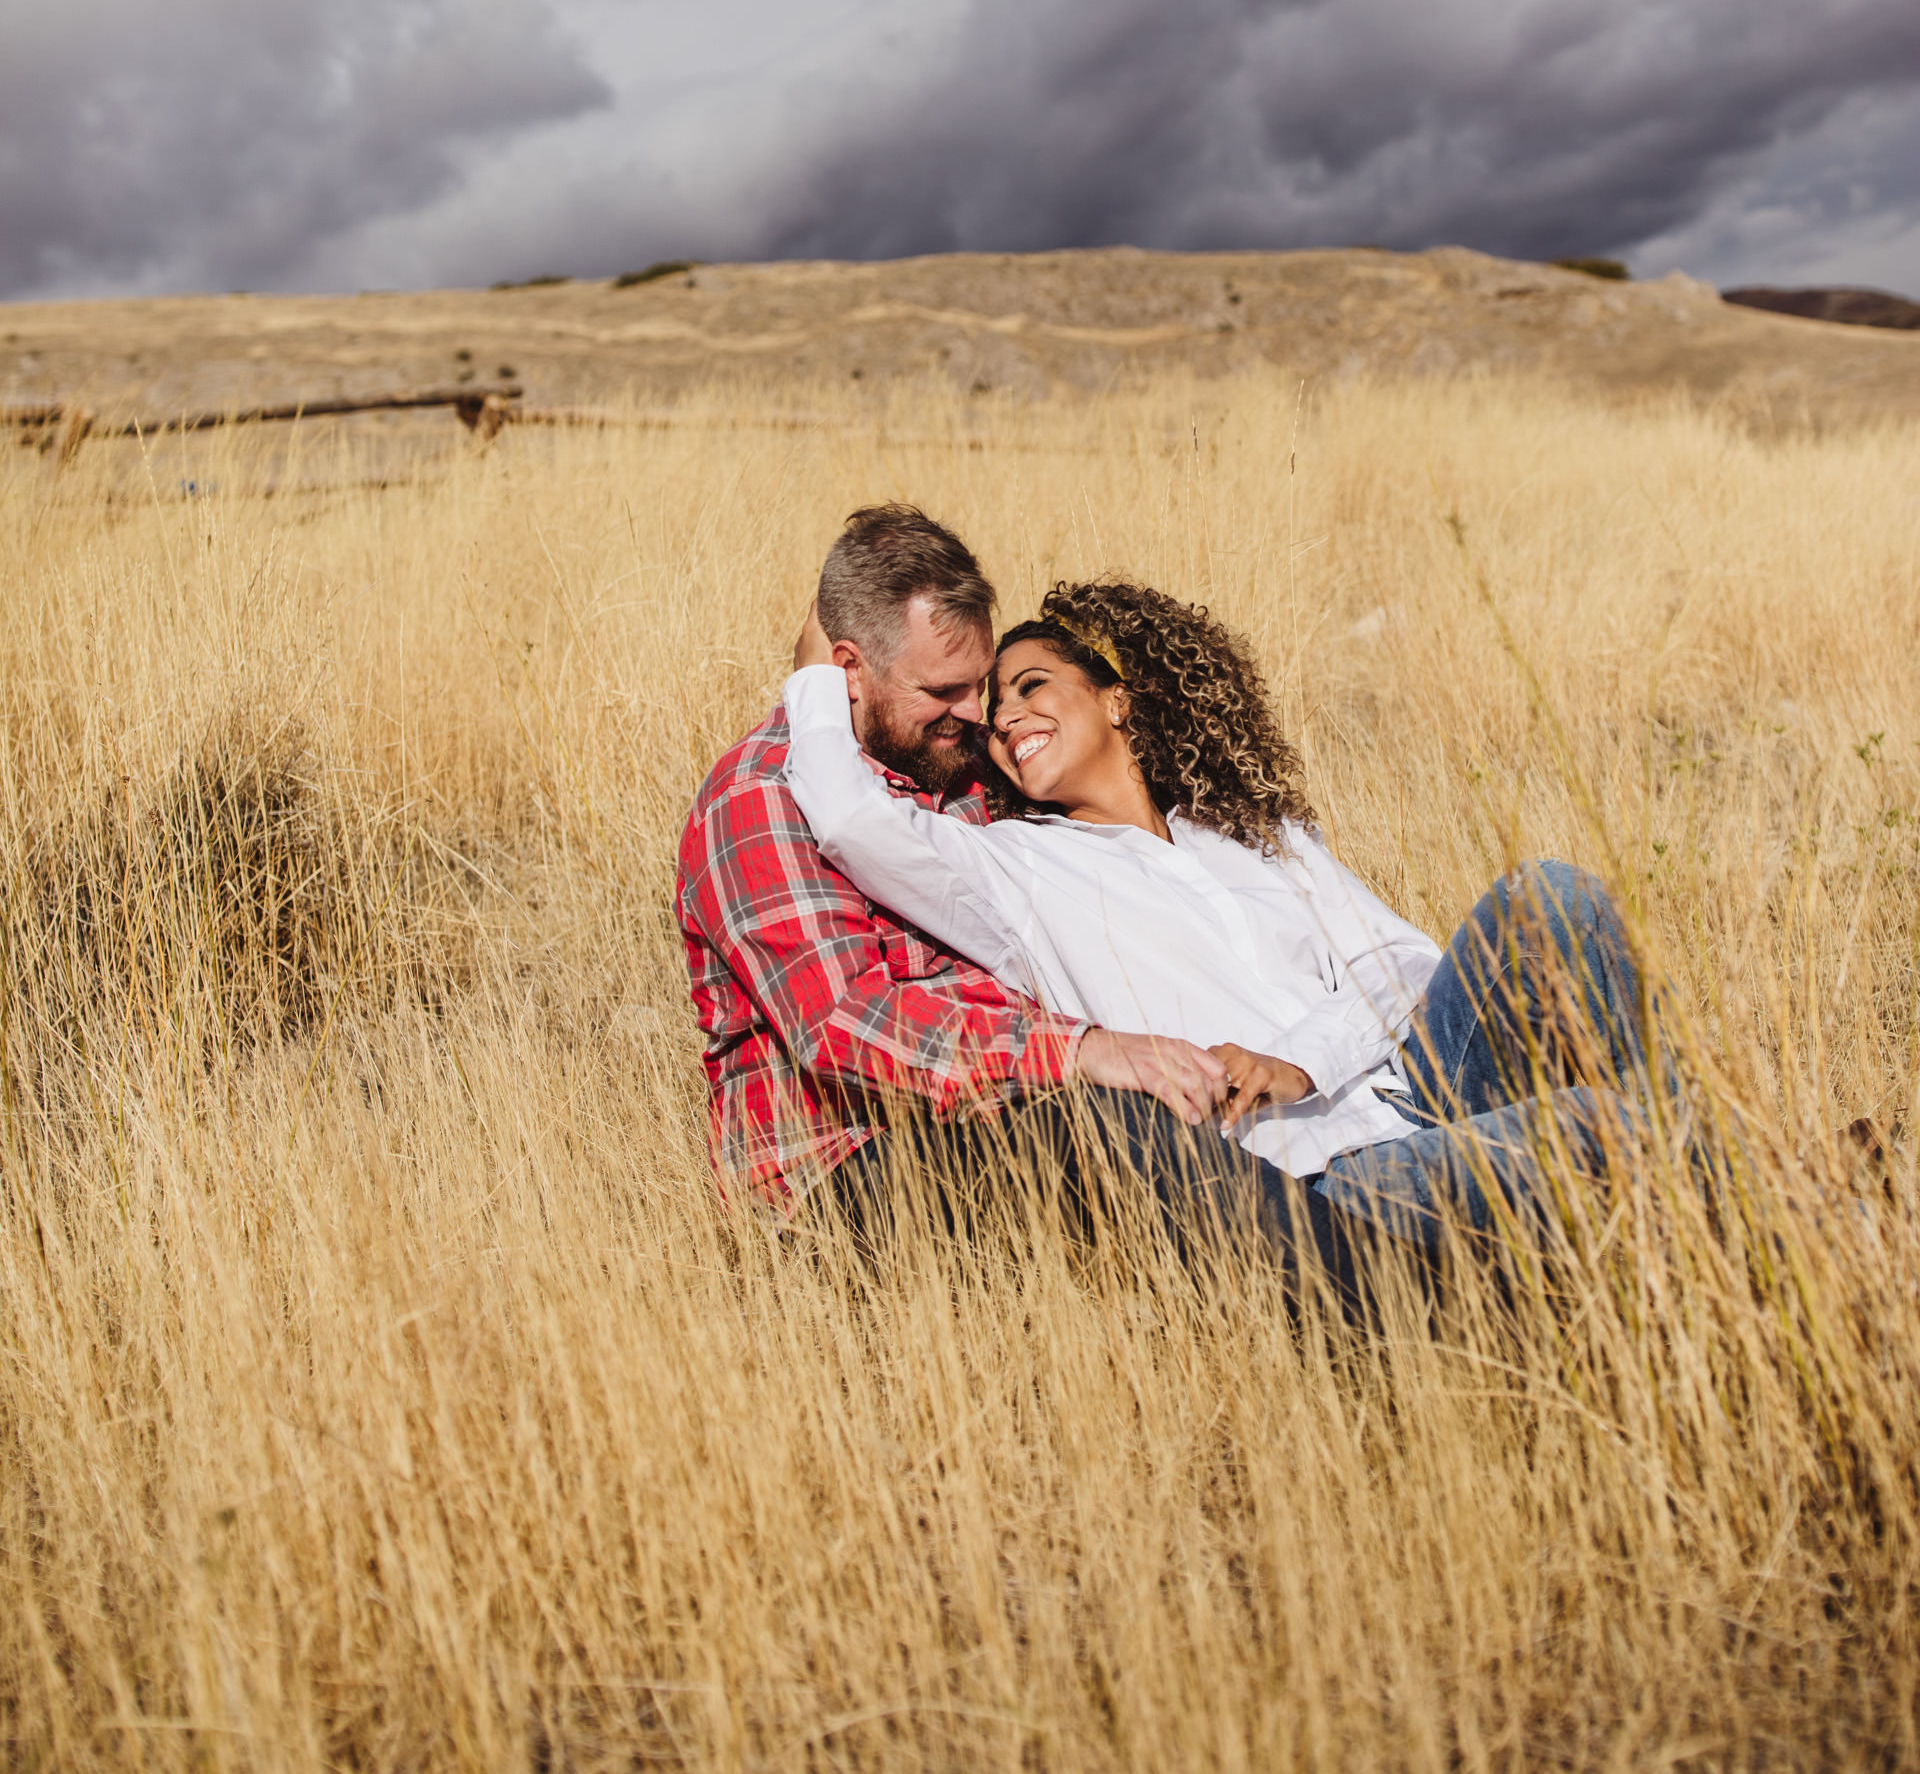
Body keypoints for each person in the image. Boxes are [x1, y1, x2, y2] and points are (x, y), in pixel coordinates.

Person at [779, 577, 1684, 1281]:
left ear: (1118, 700)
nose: (1003, 716)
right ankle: (1718, 1183)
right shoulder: (1016, 870)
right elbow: (855, 823)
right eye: (994, 706)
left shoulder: (1254, 835)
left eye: (1032, 685)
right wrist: (821, 674)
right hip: (1336, 1174)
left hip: (1422, 1085)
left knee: (1554, 898)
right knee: (1610, 1125)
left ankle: (1669, 1194)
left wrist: (1300, 1060)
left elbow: (1407, 963)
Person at [674, 505, 1246, 1225]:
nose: (977, 713)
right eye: (942, 691)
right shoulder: (758, 798)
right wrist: (1080, 1052)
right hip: (847, 1168)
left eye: (980, 682)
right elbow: (845, 1025)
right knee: (1125, 1137)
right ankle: (1396, 1296)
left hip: (1013, 1108)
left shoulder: (967, 765)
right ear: (846, 670)